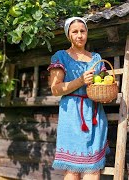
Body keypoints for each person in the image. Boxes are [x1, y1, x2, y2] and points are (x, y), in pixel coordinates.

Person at [47, 17, 109, 180]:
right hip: (72, 115)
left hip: (94, 115)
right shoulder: (61, 56)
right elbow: (55, 89)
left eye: (83, 31)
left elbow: (103, 83)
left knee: (93, 170)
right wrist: (80, 81)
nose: (80, 35)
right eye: (75, 32)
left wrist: (104, 94)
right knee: (72, 171)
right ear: (68, 35)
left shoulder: (96, 58)